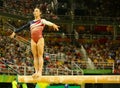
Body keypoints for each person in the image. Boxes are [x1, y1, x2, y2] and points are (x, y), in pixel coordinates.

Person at [10, 7, 59, 78]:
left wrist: (53, 24)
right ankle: (36, 71)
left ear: (40, 13)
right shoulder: (30, 22)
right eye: (34, 11)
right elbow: (23, 27)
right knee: (35, 56)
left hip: (40, 39)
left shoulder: (42, 20)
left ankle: (40, 72)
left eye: (36, 11)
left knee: (40, 55)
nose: (35, 12)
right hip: (33, 39)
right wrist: (15, 32)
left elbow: (47, 22)